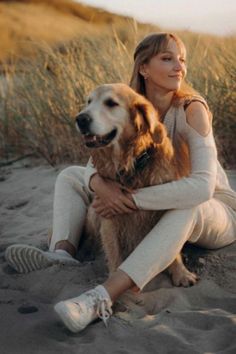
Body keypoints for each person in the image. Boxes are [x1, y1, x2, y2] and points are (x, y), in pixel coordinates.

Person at [5, 33, 236, 333]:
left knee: (186, 206)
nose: (179, 67)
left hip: (215, 209)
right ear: (143, 67)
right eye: (167, 58)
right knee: (71, 175)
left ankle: (103, 295)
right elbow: (94, 167)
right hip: (157, 198)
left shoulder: (192, 109)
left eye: (182, 60)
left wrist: (128, 199)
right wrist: (102, 187)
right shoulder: (124, 103)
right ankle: (62, 253)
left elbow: (202, 189)